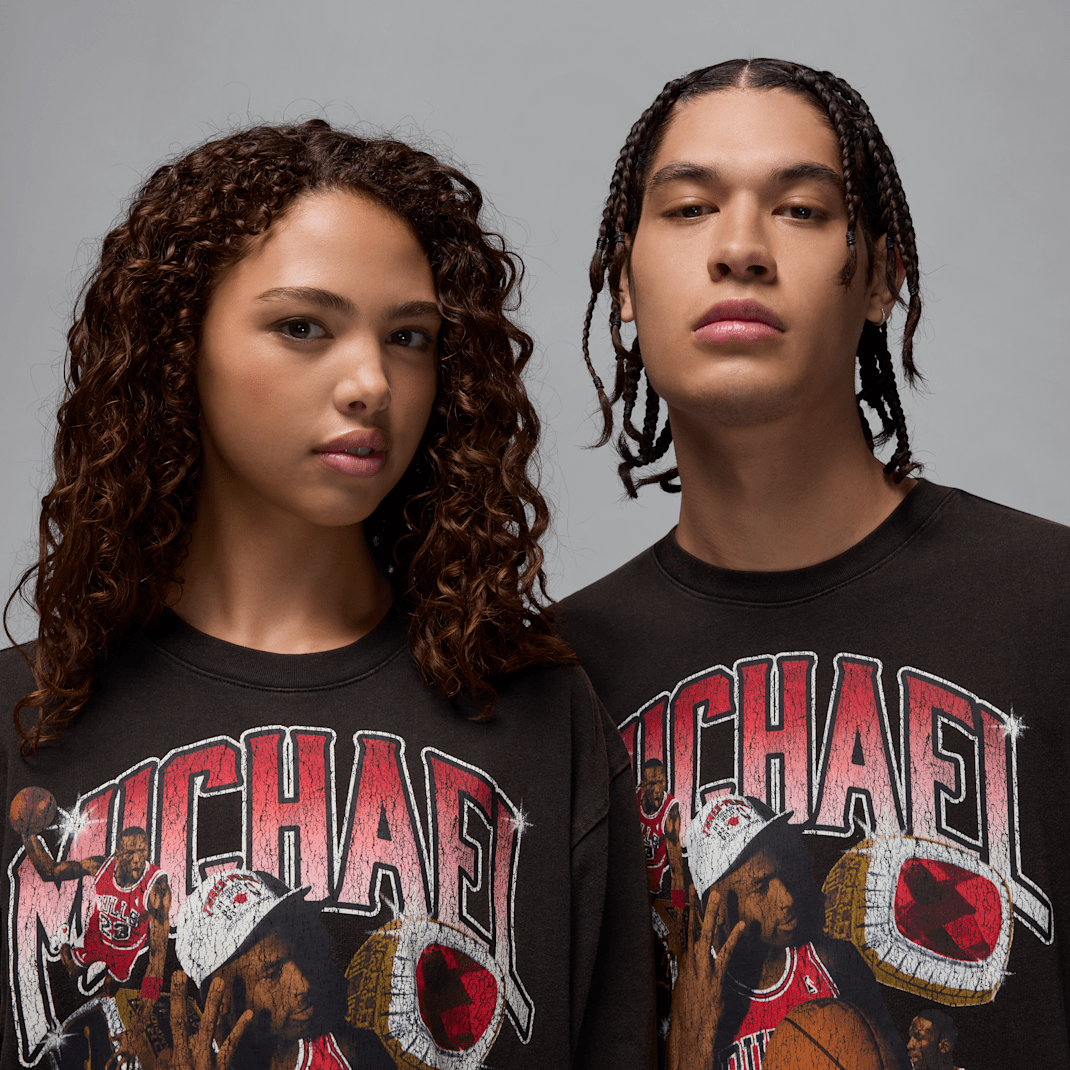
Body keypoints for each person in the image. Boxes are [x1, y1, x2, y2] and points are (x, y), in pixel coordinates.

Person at [0, 120, 655, 1070]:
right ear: (177, 346)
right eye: (302, 326)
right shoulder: (21, 719)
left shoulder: (539, 716)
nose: (370, 383)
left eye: (409, 337)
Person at [562, 58, 1069, 1069]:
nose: (739, 248)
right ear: (623, 282)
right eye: (690, 208)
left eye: (798, 209)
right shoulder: (555, 677)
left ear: (881, 277)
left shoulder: (1049, 600)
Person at [675, 795, 901, 1070]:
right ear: (717, 906)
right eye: (761, 887)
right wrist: (698, 1041)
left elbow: (894, 1062)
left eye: (781, 875)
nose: (787, 898)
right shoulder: (691, 994)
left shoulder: (833, 963)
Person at [17, 823, 170, 997]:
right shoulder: (100, 867)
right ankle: (64, 944)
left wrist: (148, 1001)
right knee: (73, 971)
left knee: (111, 989)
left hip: (126, 949)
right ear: (118, 854)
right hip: (97, 936)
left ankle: (109, 974)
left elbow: (158, 953)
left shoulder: (156, 887)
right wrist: (27, 834)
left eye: (142, 851)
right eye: (130, 853)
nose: (137, 859)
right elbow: (50, 872)